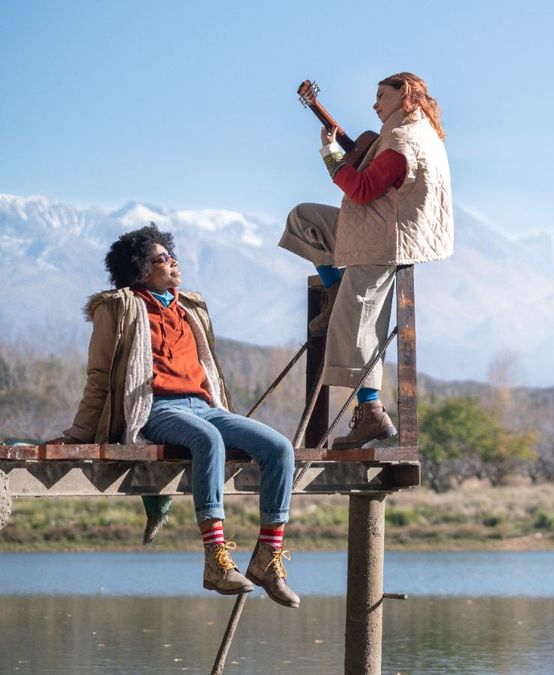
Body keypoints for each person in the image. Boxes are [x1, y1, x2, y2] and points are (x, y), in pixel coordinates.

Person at [51, 224, 300, 607]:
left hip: (204, 407)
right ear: (140, 269)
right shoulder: (119, 309)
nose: (173, 262)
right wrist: (78, 434)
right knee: (208, 441)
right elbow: (99, 377)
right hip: (156, 409)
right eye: (162, 259)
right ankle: (215, 561)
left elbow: (209, 369)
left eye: (171, 255)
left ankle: (267, 559)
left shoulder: (190, 308)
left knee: (280, 448)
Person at [279, 72, 453, 449]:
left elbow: (361, 190)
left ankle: (371, 410)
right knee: (304, 219)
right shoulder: (410, 132)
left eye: (381, 96)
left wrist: (331, 154)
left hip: (384, 240)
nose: (375, 104)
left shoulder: (403, 140)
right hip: (376, 227)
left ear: (404, 95)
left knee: (356, 323)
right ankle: (335, 288)